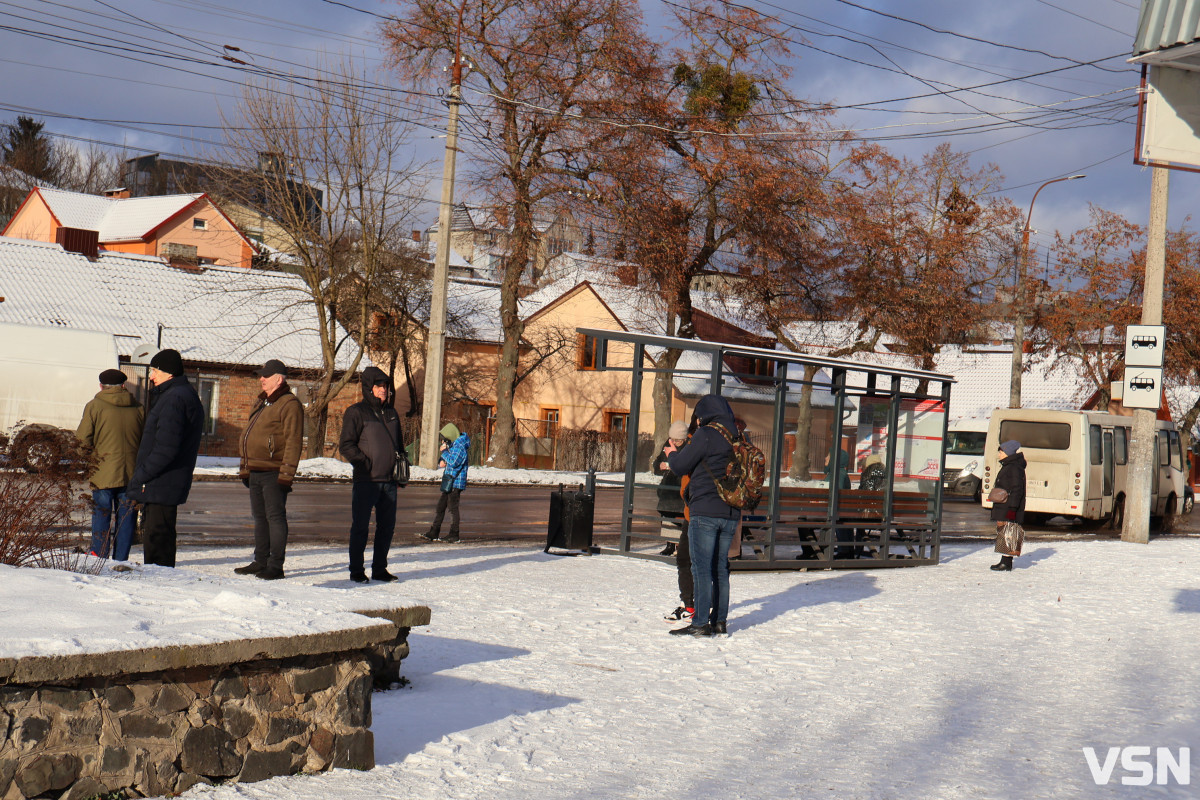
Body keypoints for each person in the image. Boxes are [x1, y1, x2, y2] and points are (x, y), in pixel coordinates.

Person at [667, 394, 741, 637]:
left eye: (699, 416)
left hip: (705, 510)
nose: (697, 421)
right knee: (721, 568)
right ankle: (719, 621)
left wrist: (671, 454)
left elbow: (680, 466)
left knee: (701, 568)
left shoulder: (706, 434)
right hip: (730, 512)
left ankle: (699, 623)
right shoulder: (736, 435)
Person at [126, 349, 204, 568]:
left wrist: (141, 475)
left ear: (169, 373)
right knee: (159, 542)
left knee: (158, 547)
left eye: (155, 371)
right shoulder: (179, 394)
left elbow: (166, 449)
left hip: (162, 483)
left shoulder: (174, 399)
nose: (151, 376)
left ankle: (159, 585)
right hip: (165, 483)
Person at [233, 359, 304, 581]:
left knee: (275, 517)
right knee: (260, 517)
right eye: (260, 375)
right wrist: (245, 468)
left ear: (279, 379)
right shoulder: (262, 401)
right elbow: (249, 436)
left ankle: (275, 566)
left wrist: (286, 474)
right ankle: (260, 561)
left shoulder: (289, 404)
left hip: (274, 471)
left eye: (266, 375)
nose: (261, 379)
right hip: (255, 469)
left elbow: (293, 441)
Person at [339, 366, 404, 584]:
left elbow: (399, 445)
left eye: (385, 385)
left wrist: (401, 467)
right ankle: (357, 570)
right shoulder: (356, 412)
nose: (383, 389)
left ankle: (379, 569)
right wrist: (364, 464)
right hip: (367, 481)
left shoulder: (392, 413)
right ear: (369, 388)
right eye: (378, 386)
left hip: (389, 481)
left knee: (387, 528)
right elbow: (346, 445)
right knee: (360, 527)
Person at [76, 368, 144, 560]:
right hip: (131, 473)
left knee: (101, 515)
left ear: (101, 386)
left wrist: (87, 459)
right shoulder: (138, 408)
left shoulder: (94, 406)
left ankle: (99, 556)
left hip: (102, 472)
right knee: (126, 519)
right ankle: (121, 558)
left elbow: (82, 440)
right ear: (123, 385)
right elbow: (144, 440)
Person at [655, 421, 692, 622]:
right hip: (667, 490)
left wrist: (673, 460)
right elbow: (655, 466)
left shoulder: (689, 447)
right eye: (674, 439)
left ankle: (676, 545)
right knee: (667, 517)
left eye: (679, 440)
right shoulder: (667, 445)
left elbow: (683, 467)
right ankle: (670, 544)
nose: (675, 442)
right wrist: (661, 465)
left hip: (680, 493)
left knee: (680, 521)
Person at [419, 423, 471, 543]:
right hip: (449, 481)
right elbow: (448, 459)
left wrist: (444, 453)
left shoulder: (460, 446)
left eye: (445, 438)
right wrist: (442, 458)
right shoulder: (454, 445)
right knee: (441, 506)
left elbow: (453, 462)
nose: (443, 441)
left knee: (453, 508)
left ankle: (454, 534)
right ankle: (434, 531)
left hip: (455, 482)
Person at [990, 439, 1027, 572]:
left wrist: (1013, 508)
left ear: (1007, 453)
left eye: (1001, 452)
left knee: (1008, 532)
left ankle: (1006, 562)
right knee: (1004, 531)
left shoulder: (1014, 467)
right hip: (1005, 505)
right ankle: (1005, 561)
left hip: (1008, 505)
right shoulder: (1010, 465)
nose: (999, 454)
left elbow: (1017, 489)